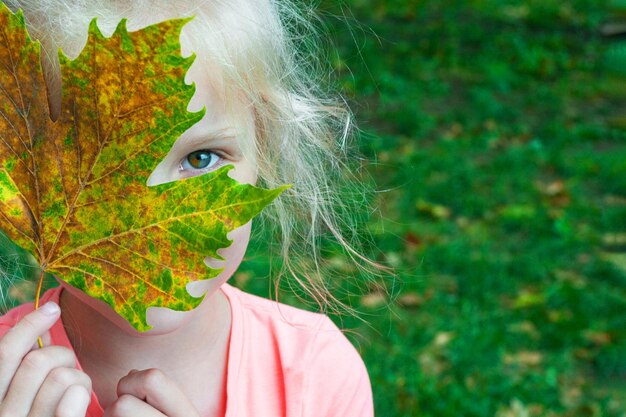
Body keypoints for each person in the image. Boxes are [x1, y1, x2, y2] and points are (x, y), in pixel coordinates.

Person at [0, 0, 379, 416]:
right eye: (82, 167)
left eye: (201, 159)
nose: (148, 226)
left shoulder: (316, 373)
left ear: (264, 150)